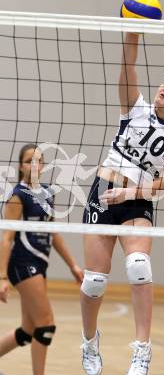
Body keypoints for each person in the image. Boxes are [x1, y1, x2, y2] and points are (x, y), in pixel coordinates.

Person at [80, 32, 164, 375]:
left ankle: (142, 351)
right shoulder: (135, 108)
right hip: (104, 192)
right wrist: (133, 30)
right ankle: (89, 343)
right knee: (94, 282)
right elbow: (127, 63)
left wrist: (130, 194)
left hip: (137, 201)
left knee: (139, 267)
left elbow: (163, 185)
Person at [0, 143, 83, 375]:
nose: (34, 165)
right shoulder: (18, 196)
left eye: (39, 160)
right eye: (29, 161)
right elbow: (6, 238)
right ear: (20, 166)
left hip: (38, 264)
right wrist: (2, 277)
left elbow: (53, 233)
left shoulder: (47, 192)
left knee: (28, 331)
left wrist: (73, 266)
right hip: (23, 263)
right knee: (46, 325)